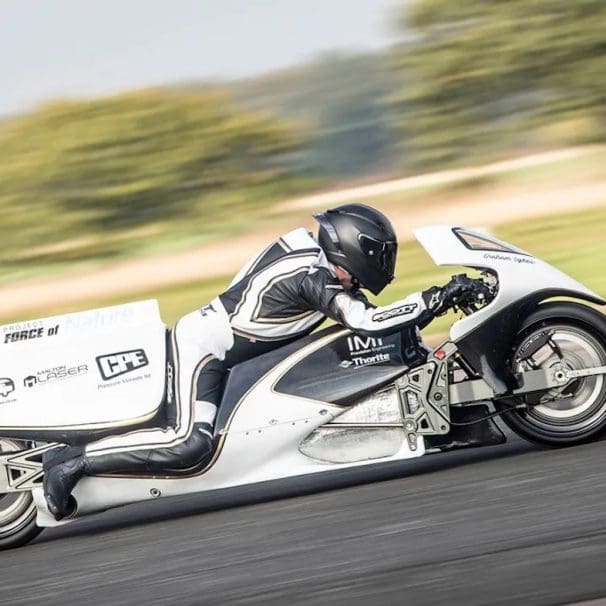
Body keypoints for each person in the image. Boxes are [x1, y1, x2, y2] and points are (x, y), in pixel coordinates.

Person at [43, 203, 477, 520]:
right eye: (377, 256)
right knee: (190, 446)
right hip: (203, 351)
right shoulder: (311, 277)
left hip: (221, 348)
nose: (381, 266)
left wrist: (430, 303)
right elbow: (363, 320)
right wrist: (433, 298)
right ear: (352, 248)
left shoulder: (312, 257)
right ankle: (71, 461)